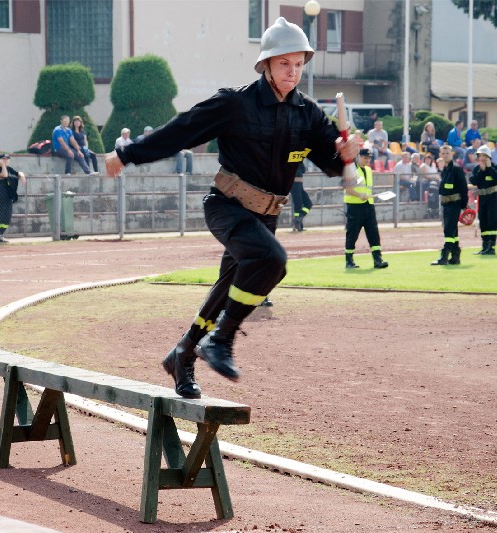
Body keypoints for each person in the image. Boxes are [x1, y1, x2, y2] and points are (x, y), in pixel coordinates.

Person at [104, 16, 359, 399]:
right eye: (284, 64)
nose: (293, 73)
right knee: (271, 261)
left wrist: (348, 155)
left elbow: (335, 164)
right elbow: (182, 130)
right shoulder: (234, 103)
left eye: (299, 65)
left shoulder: (308, 115)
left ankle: (182, 354)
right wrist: (127, 154)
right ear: (267, 65)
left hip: (266, 215)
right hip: (227, 206)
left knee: (231, 288)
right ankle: (220, 340)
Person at [343, 148, 388, 269]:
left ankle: (378, 259)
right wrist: (359, 195)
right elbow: (347, 188)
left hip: (368, 205)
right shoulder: (351, 170)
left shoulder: (368, 170)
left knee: (373, 232)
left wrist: (366, 197)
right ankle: (349, 260)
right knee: (353, 233)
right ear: (358, 156)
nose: (367, 160)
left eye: (369, 158)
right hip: (355, 206)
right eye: (365, 158)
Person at [431, 144, 468, 266]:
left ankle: (444, 256)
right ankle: (455, 256)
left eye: (447, 153)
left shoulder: (456, 169)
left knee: (448, 230)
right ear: (440, 155)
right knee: (453, 231)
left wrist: (464, 205)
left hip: (454, 203)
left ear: (452, 154)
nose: (445, 155)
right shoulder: (445, 170)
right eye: (443, 153)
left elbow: (463, 187)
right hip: (446, 203)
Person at [468, 145, 497, 255]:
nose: (481, 158)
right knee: (483, 221)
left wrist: (489, 168)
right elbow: (474, 181)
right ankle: (485, 245)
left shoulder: (495, 167)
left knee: (492, 221)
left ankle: (491, 247)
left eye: (484, 156)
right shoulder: (477, 169)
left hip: (492, 197)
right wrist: (482, 171)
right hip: (482, 198)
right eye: (480, 156)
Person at [0, 153, 26, 243]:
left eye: (7, 159)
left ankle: (1, 235)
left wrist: (21, 175)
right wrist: (2, 165)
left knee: (7, 217)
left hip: (8, 197)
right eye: (3, 159)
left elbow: (17, 173)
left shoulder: (9, 169)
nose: (6, 160)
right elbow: (5, 175)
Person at [290, 161, 312, 231]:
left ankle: (298, 219)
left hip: (300, 186)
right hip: (294, 185)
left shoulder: (300, 161)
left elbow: (303, 170)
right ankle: (298, 225)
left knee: (308, 204)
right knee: (298, 205)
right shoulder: (290, 161)